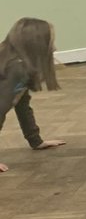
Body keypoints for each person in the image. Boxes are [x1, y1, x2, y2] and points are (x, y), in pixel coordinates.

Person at [0, 17, 65, 172]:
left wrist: (35, 140)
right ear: (35, 45)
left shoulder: (19, 66)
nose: (54, 48)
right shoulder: (16, 69)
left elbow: (22, 104)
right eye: (49, 43)